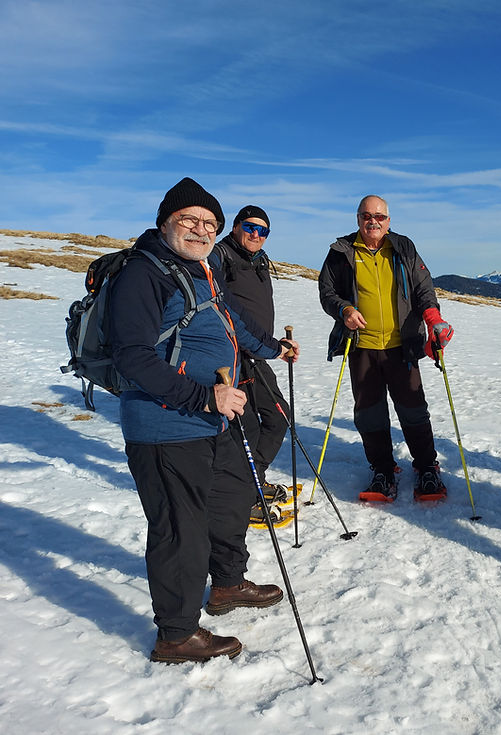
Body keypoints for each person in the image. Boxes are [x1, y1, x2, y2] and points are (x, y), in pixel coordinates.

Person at [109, 177, 300, 663]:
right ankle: (176, 634)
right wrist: (204, 396)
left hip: (211, 421)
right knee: (179, 529)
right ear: (165, 222)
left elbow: (235, 325)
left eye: (209, 223)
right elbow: (132, 356)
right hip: (166, 425)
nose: (200, 230)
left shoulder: (200, 272)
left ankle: (227, 584)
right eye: (189, 220)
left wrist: (274, 348)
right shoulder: (143, 274)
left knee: (230, 497)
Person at [318, 195, 453, 502]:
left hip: (401, 347)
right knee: (369, 414)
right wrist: (345, 310)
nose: (373, 221)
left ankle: (426, 467)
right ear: (357, 219)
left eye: (379, 216)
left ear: (388, 221)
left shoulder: (403, 248)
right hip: (361, 346)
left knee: (414, 411)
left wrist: (433, 318)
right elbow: (327, 292)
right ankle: (382, 469)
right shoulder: (341, 252)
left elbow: (423, 288)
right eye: (367, 215)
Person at [214, 205, 291, 502]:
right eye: (249, 227)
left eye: (263, 231)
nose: (256, 234)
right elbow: (226, 310)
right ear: (235, 227)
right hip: (233, 361)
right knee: (246, 430)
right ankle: (245, 489)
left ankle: (251, 481)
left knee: (277, 418)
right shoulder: (220, 256)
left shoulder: (259, 260)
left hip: (258, 354)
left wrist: (275, 345)